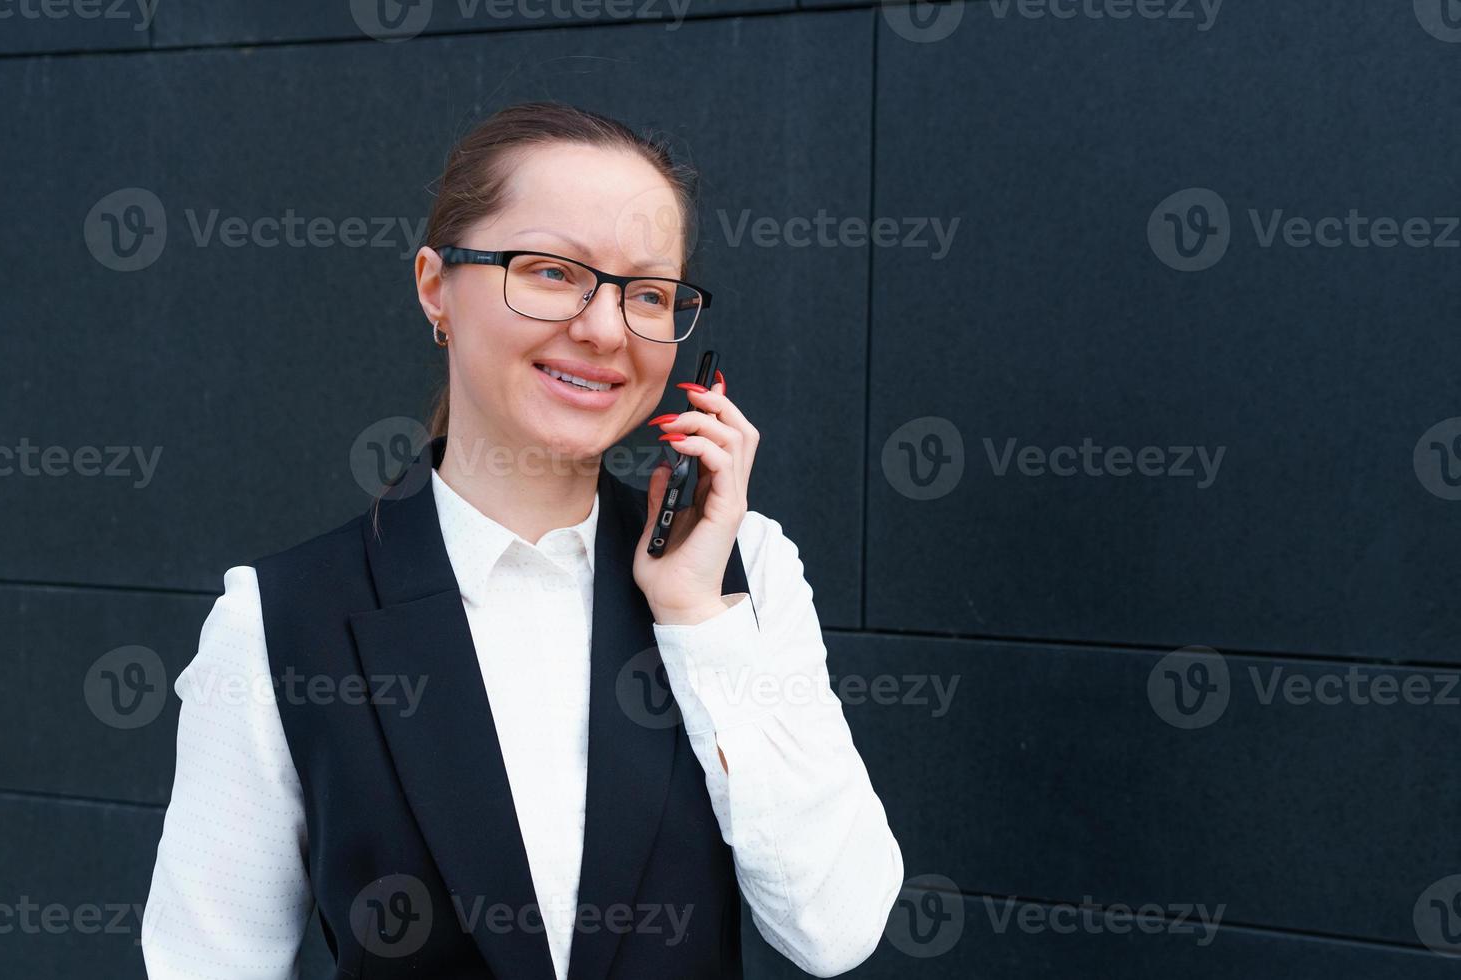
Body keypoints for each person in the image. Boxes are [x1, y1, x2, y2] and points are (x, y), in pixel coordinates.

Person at [141, 99, 903, 979]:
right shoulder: (277, 620)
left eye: (648, 293)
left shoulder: (745, 572)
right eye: (550, 272)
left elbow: (833, 930)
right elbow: (209, 962)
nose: (605, 328)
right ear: (436, 286)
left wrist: (698, 619)